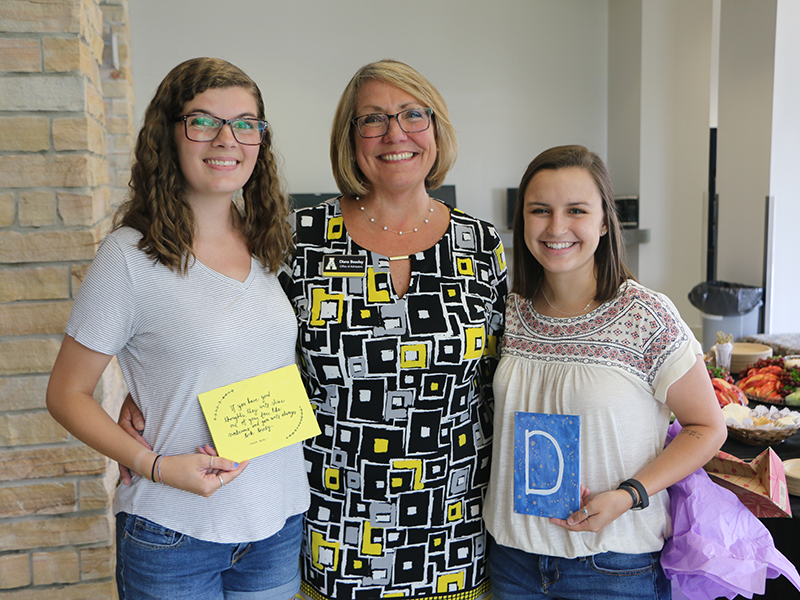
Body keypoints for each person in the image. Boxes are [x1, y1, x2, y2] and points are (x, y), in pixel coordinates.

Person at [46, 57, 309, 600]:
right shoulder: (129, 256)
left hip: (277, 521)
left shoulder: (273, 242)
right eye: (203, 121)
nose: (226, 139)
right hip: (175, 532)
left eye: (245, 123)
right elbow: (66, 393)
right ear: (169, 133)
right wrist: (153, 464)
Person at [286, 60, 508, 600]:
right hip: (335, 531)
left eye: (413, 114)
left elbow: (509, 379)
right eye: (374, 119)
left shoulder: (481, 246)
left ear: (436, 130)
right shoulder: (302, 241)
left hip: (455, 534)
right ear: (350, 137)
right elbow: (251, 355)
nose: (395, 133)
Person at [483, 145, 727, 600]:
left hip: (610, 566)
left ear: (603, 221)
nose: (556, 227)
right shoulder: (508, 312)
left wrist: (630, 494)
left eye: (576, 210)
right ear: (521, 222)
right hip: (512, 560)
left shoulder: (645, 314)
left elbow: (707, 426)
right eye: (540, 211)